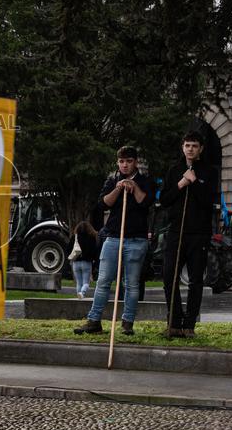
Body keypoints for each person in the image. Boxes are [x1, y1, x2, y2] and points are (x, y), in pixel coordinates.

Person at [74, 146, 154, 336]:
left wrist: (134, 187)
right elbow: (103, 204)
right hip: (113, 237)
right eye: (121, 161)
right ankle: (94, 321)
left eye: (128, 161)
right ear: (118, 163)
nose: (125, 165)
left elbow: (145, 202)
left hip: (136, 240)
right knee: (103, 281)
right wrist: (118, 189)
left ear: (135, 162)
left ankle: (127, 323)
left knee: (131, 284)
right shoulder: (112, 180)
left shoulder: (145, 181)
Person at [159, 131, 218, 338]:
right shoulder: (174, 170)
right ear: (182, 147)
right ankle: (174, 321)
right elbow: (165, 200)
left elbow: (209, 201)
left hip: (199, 233)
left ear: (200, 148)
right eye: (187, 145)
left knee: (195, 280)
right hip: (176, 232)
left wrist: (194, 182)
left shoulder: (209, 171)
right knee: (169, 276)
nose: (190, 149)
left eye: (194, 145)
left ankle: (189, 324)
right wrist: (181, 184)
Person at [70, 221, 99, 297]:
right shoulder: (91, 237)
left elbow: (68, 249)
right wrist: (95, 261)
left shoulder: (74, 237)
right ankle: (82, 293)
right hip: (87, 262)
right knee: (86, 283)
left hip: (75, 262)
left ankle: (79, 296)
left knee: (79, 283)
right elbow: (95, 251)